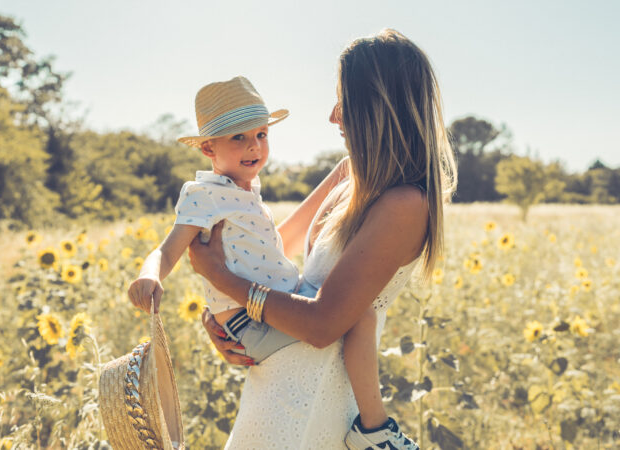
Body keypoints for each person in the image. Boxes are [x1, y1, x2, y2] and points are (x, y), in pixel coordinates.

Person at [189, 29, 457, 450]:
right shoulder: (348, 173)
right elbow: (270, 247)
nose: (334, 116)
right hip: (273, 382)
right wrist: (222, 313)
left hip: (319, 396)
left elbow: (323, 325)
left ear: (377, 107)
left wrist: (225, 280)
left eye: (344, 102)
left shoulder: (405, 204)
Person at [127, 76, 413, 445]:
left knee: (359, 314)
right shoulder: (203, 194)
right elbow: (168, 250)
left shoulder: (249, 194)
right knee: (360, 315)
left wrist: (220, 286)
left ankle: (375, 429)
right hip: (252, 322)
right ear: (208, 148)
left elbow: (258, 257)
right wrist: (150, 276)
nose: (254, 146)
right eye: (238, 137)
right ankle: (377, 431)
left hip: (269, 314)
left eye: (261, 134)